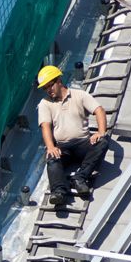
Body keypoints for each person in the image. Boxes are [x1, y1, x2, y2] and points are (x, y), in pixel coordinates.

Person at [36, 64, 109, 207]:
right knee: (52, 157)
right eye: (45, 88)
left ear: (59, 81)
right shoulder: (45, 103)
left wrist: (101, 132)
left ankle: (79, 178)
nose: (48, 90)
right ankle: (59, 192)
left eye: (50, 85)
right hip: (63, 147)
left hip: (83, 143)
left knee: (103, 142)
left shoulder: (79, 95)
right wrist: (51, 147)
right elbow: (45, 125)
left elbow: (99, 110)